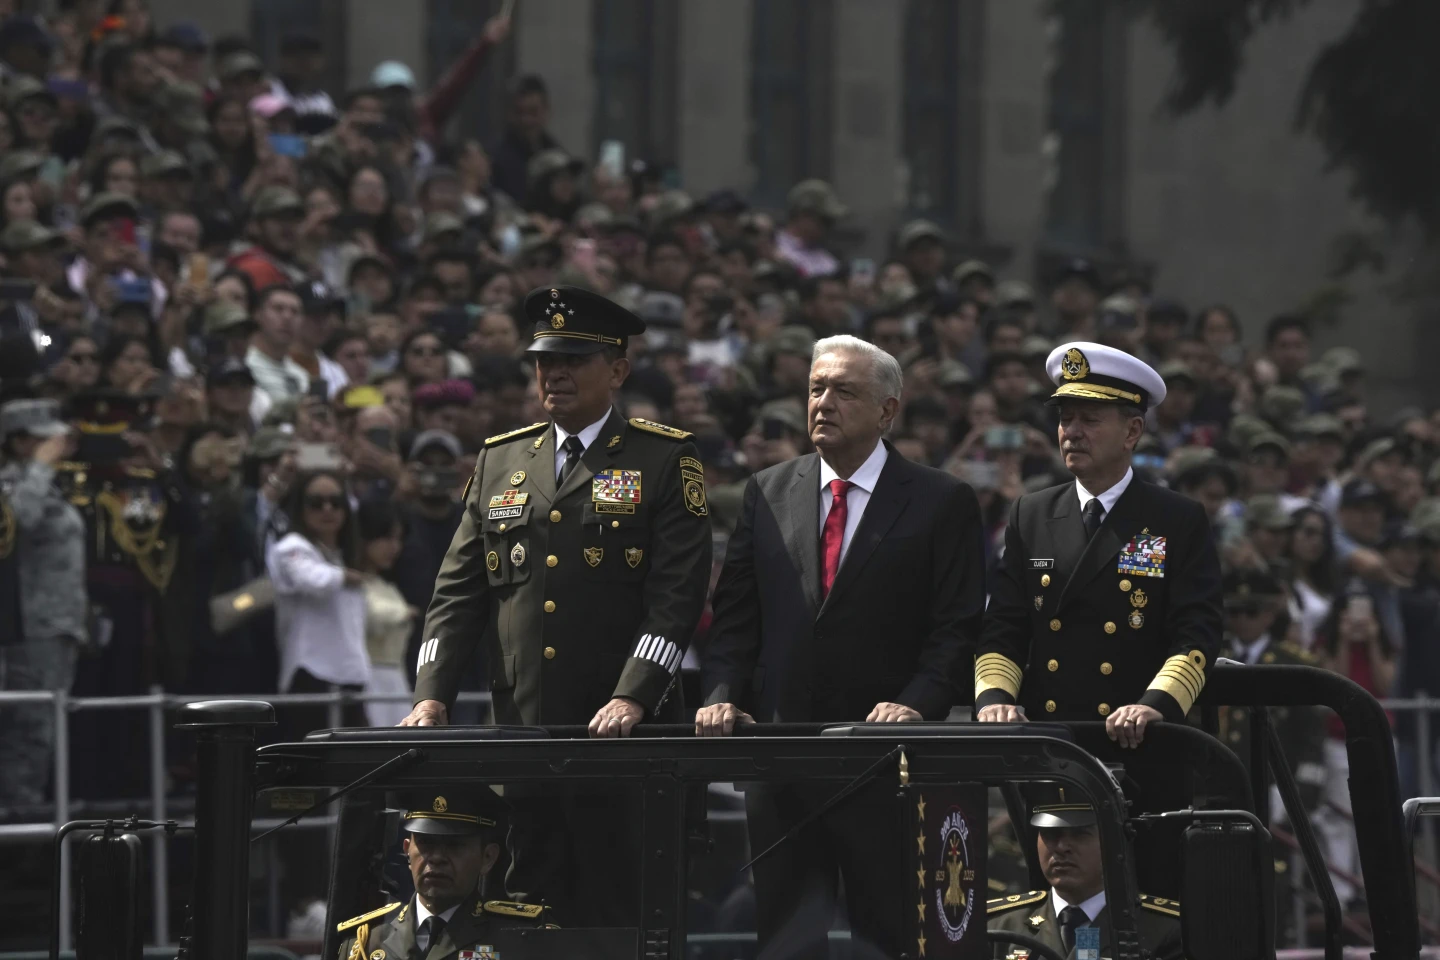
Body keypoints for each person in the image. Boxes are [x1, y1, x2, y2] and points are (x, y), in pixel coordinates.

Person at [402, 285, 713, 925]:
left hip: (624, 740)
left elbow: (676, 596)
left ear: (618, 371)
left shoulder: (663, 458)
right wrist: (431, 695)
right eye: (545, 361)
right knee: (522, 916)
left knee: (624, 917)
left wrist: (633, 695)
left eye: (574, 361)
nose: (555, 374)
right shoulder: (500, 460)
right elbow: (456, 593)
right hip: (523, 734)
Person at [695, 334, 986, 957]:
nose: (823, 403)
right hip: (781, 762)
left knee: (888, 937)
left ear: (887, 410)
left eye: (844, 391)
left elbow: (956, 629)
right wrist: (721, 695)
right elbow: (737, 622)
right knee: (785, 942)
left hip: (888, 764)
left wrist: (915, 704)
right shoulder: (766, 490)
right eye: (816, 389)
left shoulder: (942, 500)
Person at [975, 342, 1222, 743]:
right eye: (1065, 418)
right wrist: (994, 699)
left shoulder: (1175, 518)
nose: (1071, 432)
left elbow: (1197, 630)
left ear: (1132, 431)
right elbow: (1004, 625)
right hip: (1051, 739)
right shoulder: (1031, 513)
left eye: (1089, 419)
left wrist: (1157, 704)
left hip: (1138, 737)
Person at [334, 792, 554, 960]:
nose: (437, 858)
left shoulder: (522, 938)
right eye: (426, 843)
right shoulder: (366, 941)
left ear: (487, 857)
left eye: (454, 845)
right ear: (407, 851)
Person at [0, 399, 85, 810]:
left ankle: (34, 813)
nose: (56, 446)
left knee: (49, 727)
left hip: (60, 623)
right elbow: (18, 520)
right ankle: (20, 820)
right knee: (28, 729)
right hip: (32, 626)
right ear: (19, 442)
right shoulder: (13, 484)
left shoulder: (52, 482)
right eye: (43, 440)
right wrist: (40, 466)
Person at [986, 787, 1183, 960]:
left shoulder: (1163, 930)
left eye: (1079, 833)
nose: (1062, 847)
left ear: (1113, 842)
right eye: (1051, 834)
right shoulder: (999, 925)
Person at [267, 469, 369, 736]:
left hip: (350, 674)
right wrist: (344, 576)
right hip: (311, 672)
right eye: (316, 502)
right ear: (301, 507)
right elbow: (312, 581)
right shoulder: (291, 547)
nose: (327, 509)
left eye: (336, 502)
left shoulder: (344, 555)